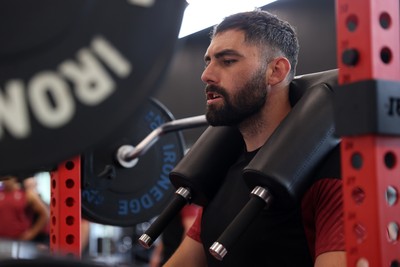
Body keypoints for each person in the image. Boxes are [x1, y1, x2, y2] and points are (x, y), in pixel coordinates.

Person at [164, 9, 345, 267]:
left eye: (227, 61)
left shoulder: (330, 173)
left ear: (275, 71)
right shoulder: (220, 168)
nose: (206, 75)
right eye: (208, 61)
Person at [0, 175, 49, 242]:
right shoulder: (1, 193)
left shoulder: (27, 193)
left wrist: (31, 233)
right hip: (2, 240)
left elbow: (45, 214)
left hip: (20, 240)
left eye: (7, 178)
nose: (5, 180)